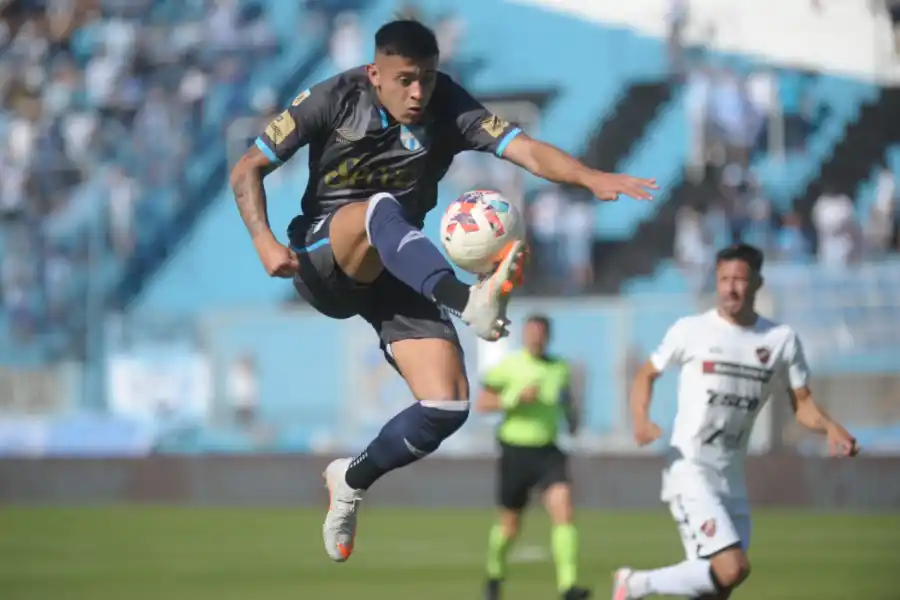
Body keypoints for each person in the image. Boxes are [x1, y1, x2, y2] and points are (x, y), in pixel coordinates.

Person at [228, 19, 657, 564]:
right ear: (374, 73)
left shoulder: (448, 103)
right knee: (382, 207)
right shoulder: (332, 97)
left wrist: (590, 177)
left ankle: (351, 479)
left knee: (447, 403)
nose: (418, 93)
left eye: (427, 80)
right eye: (405, 80)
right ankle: (466, 299)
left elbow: (524, 149)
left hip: (393, 267)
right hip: (322, 256)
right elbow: (249, 167)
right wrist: (264, 241)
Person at [611, 243, 860, 600]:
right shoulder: (691, 330)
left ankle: (636, 585)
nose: (731, 287)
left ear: (757, 283)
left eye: (740, 279)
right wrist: (640, 419)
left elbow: (802, 404)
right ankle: (635, 584)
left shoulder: (780, 341)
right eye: (724, 279)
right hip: (689, 470)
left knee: (718, 586)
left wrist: (830, 427)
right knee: (732, 567)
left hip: (731, 478)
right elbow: (645, 374)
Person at [476, 315, 589, 600]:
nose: (535, 338)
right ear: (524, 336)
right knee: (510, 524)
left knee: (563, 510)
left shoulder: (559, 367)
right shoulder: (509, 366)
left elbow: (565, 400)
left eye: (540, 333)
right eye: (530, 333)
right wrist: (512, 399)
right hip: (515, 451)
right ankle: (494, 574)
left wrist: (572, 420)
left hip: (548, 452)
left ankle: (568, 586)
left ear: (548, 337)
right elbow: (483, 404)